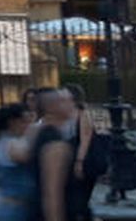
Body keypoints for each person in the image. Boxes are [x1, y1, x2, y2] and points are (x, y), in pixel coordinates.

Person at [34, 89, 89, 221]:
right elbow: (52, 194)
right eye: (65, 101)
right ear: (52, 107)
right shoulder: (56, 145)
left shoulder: (36, 132)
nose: (72, 104)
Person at [0, 104, 37, 221]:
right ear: (13, 122)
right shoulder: (8, 143)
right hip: (14, 210)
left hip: (18, 208)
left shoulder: (9, 141)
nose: (28, 125)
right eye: (24, 122)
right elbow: (27, 156)